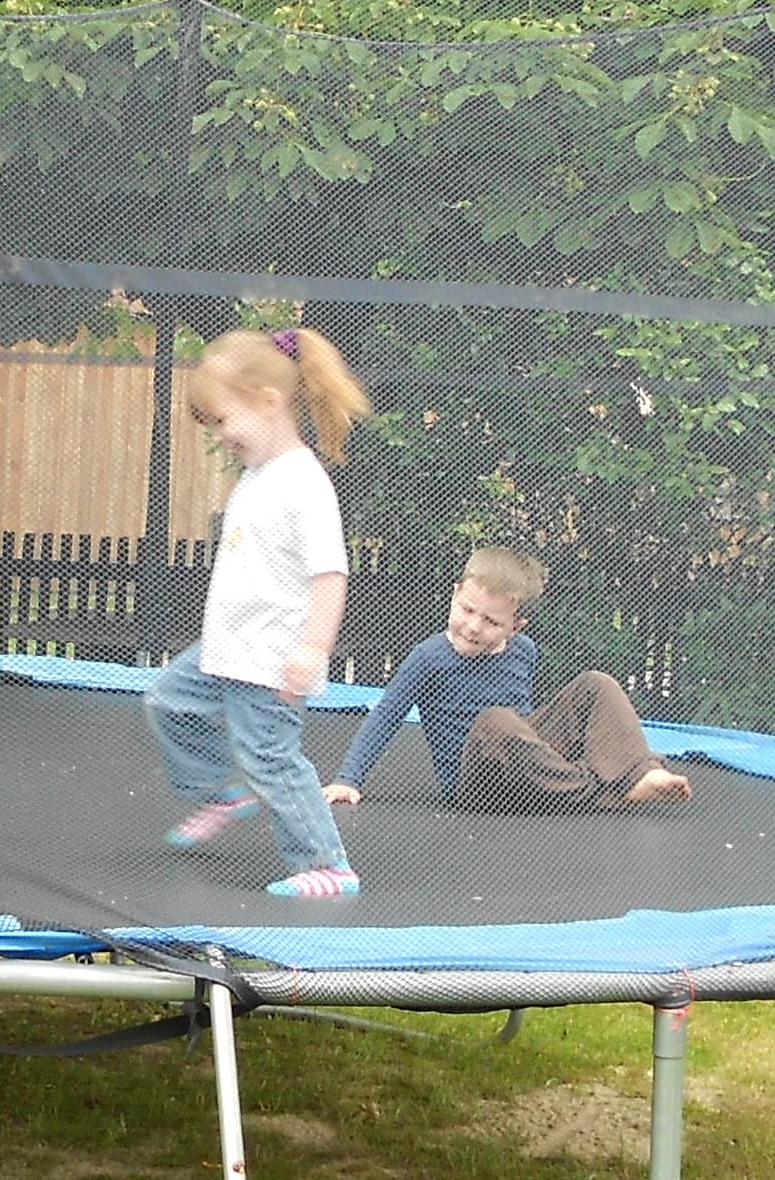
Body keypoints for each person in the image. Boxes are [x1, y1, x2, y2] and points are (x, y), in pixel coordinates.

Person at [146, 325, 371, 900]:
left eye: (223, 420)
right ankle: (222, 786)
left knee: (272, 759)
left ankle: (326, 865)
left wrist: (313, 648)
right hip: (225, 649)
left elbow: (329, 574)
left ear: (269, 403)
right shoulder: (257, 475)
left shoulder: (304, 482)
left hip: (270, 658)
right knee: (167, 699)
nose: (220, 435)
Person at [327, 546, 693, 816]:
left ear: (515, 627)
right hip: (475, 788)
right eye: (467, 610)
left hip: (524, 775)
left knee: (596, 684)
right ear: (455, 594)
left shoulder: (523, 651)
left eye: (491, 622)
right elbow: (386, 716)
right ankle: (605, 789)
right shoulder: (429, 657)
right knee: (495, 720)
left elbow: (526, 725)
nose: (473, 626)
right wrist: (349, 779)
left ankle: (641, 772)